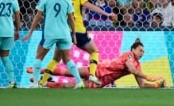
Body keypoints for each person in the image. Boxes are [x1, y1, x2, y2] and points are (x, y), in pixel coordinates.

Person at [38, 0, 116, 86]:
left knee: (56, 59)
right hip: (79, 32)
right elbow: (93, 7)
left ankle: (42, 82)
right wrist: (107, 13)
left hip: (64, 33)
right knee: (94, 52)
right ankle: (92, 74)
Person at [22, 0, 84, 88]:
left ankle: (36, 84)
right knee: (67, 60)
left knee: (39, 57)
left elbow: (38, 16)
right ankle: (79, 82)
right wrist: (74, 34)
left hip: (50, 33)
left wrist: (30, 31)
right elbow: (71, 18)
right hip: (64, 33)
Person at [27, 38, 166, 89]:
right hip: (98, 70)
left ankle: (43, 83)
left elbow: (141, 85)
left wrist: (154, 85)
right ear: (133, 49)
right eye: (140, 50)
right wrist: (149, 77)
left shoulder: (138, 66)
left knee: (71, 85)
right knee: (69, 72)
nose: (142, 54)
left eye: (143, 52)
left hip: (102, 81)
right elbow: (132, 69)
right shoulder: (129, 55)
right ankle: (38, 72)